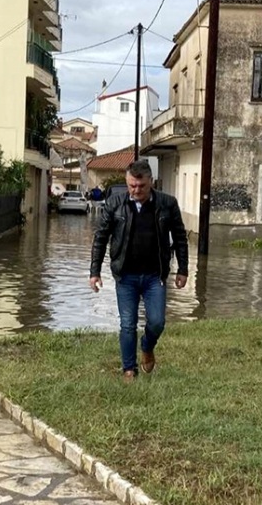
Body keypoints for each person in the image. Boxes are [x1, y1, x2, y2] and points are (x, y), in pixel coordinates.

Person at [89, 159, 188, 382]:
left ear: (150, 182)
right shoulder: (115, 204)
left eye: (141, 186)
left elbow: (180, 238)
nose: (136, 190)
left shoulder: (167, 204)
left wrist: (183, 269)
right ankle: (129, 369)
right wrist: (94, 272)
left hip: (155, 275)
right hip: (126, 275)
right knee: (127, 323)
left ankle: (147, 345)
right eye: (131, 185)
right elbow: (100, 238)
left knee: (157, 322)